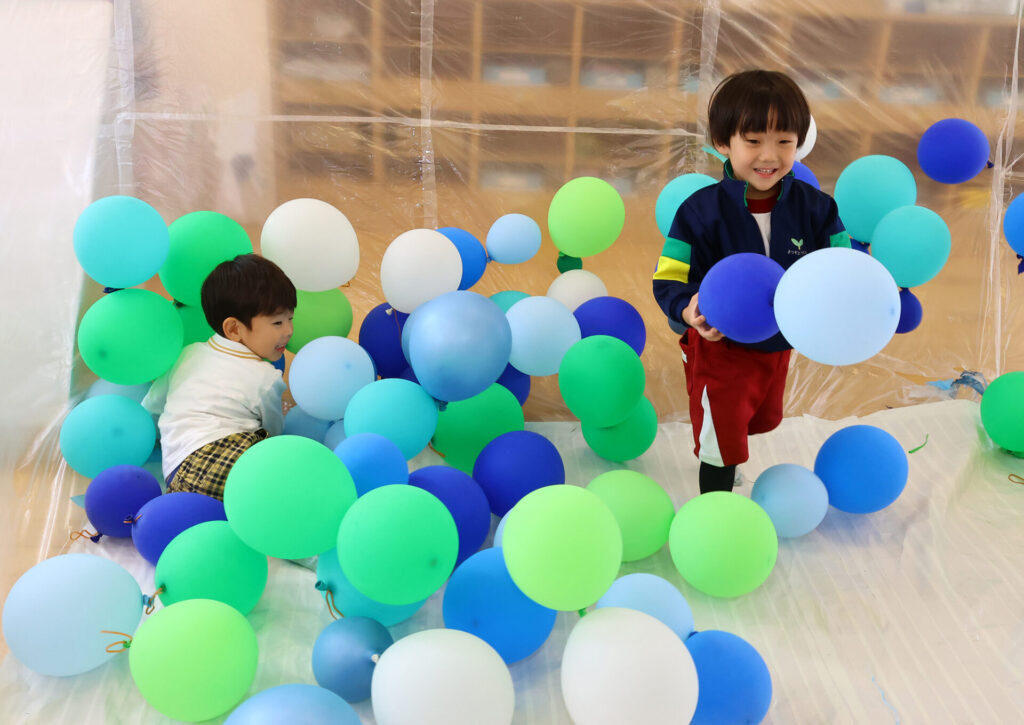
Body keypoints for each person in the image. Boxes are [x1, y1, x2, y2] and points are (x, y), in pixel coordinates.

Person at [652, 69, 851, 494]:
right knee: (719, 439)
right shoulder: (699, 212)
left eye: (784, 142)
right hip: (719, 349)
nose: (769, 155)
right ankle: (715, 507)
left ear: (799, 142)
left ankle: (729, 465)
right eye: (754, 141)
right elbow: (669, 278)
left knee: (758, 417)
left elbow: (841, 268)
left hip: (779, 345)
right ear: (724, 142)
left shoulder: (817, 209)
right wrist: (689, 308)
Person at [143, 253, 296, 501]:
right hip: (228, 466)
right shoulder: (266, 377)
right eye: (277, 323)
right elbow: (274, 433)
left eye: (290, 319)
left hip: (177, 475)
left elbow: (153, 405)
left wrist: (153, 438)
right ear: (234, 328)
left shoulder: (187, 354)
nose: (289, 331)